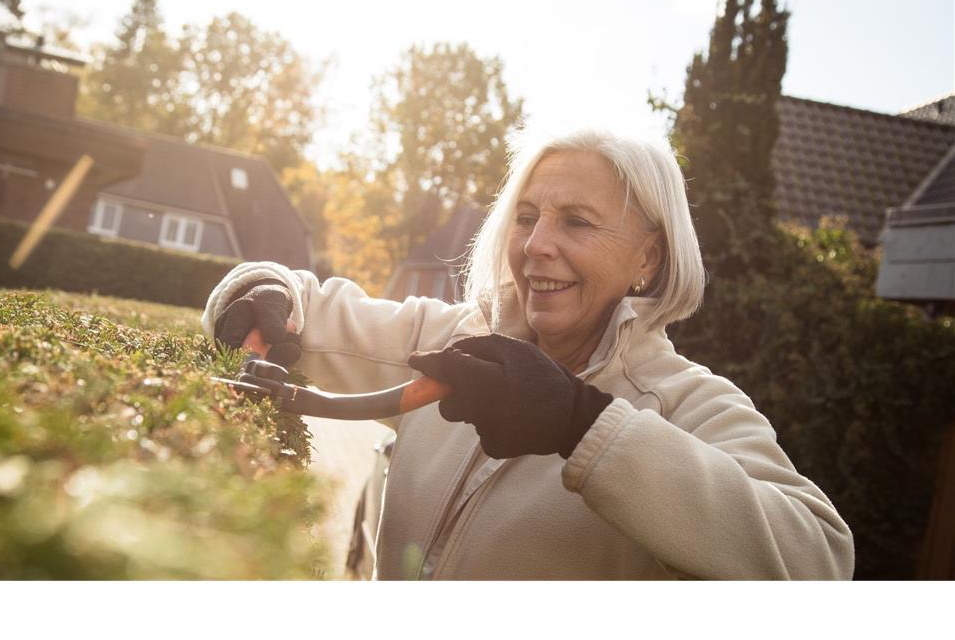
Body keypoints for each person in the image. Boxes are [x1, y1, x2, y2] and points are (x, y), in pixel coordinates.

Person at [202, 129, 855, 580]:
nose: (537, 243)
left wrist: (583, 424)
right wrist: (260, 289)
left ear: (648, 258)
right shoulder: (457, 339)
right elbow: (310, 314)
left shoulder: (689, 403)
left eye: (576, 221)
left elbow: (818, 561)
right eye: (526, 216)